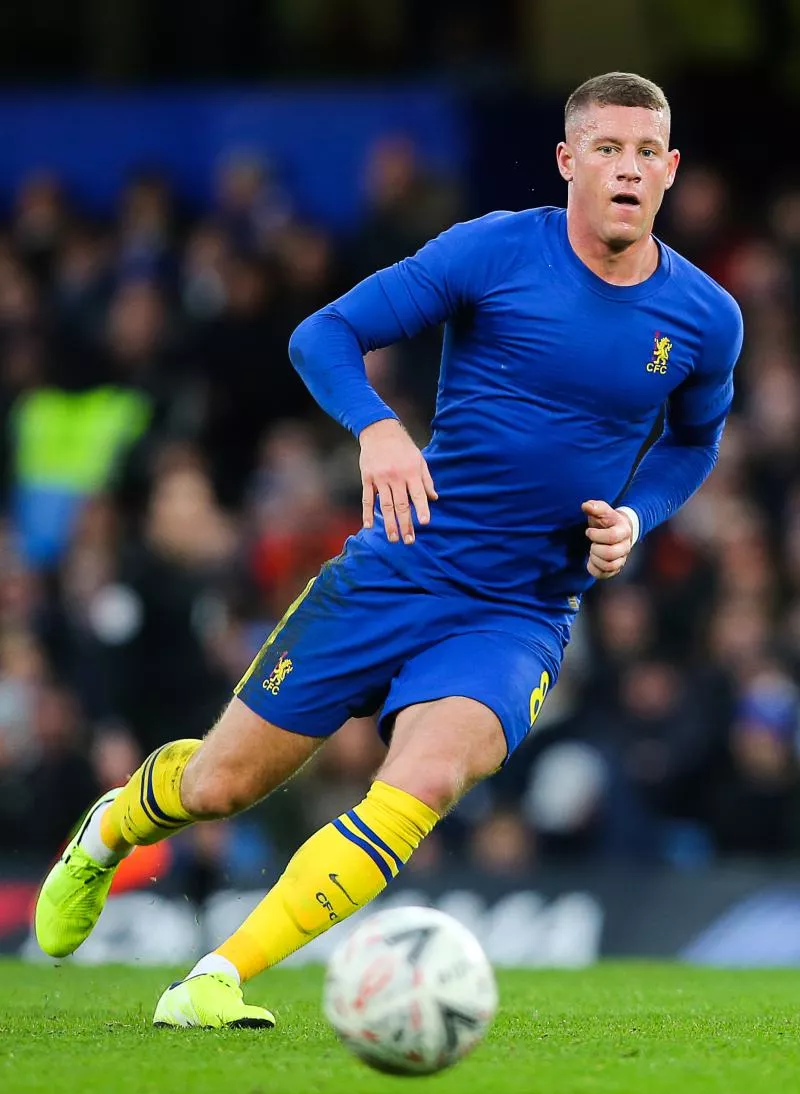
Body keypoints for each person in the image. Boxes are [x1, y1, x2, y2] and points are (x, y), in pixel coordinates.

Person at [34, 72, 742, 1028]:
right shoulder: (492, 250)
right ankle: (112, 827)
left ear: (671, 171)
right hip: (400, 564)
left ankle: (216, 977)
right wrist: (374, 425)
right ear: (570, 162)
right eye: (606, 150)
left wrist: (638, 516)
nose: (627, 169)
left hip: (522, 607)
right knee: (220, 784)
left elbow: (694, 442)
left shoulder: (705, 317)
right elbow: (324, 333)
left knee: (427, 777)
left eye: (645, 153)